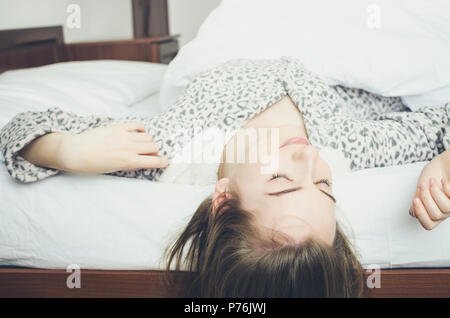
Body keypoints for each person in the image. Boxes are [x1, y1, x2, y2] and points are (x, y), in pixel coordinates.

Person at [1, 57, 449, 297]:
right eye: (326, 187)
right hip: (331, 79)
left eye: (283, 182)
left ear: (222, 197)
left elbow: (18, 130)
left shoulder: (170, 149)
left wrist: (70, 148)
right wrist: (442, 162)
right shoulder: (353, 148)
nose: (309, 161)